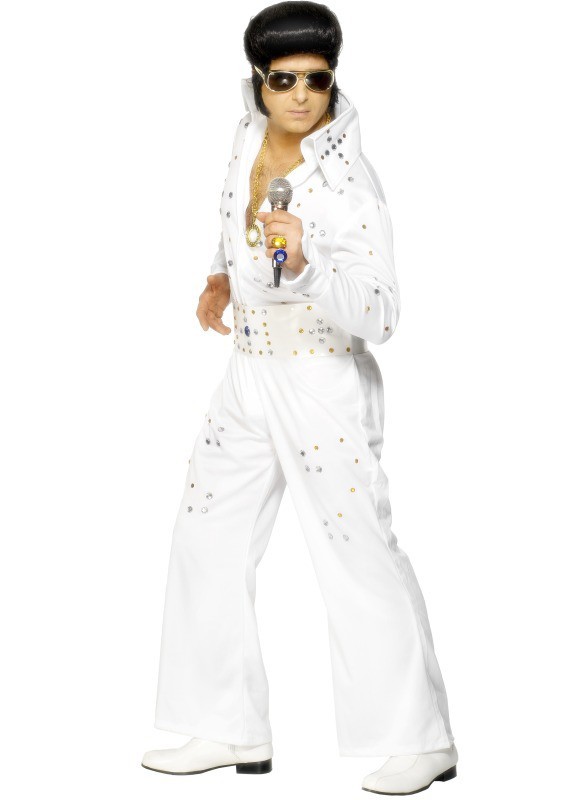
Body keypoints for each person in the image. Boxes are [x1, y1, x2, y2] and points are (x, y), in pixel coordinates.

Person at [141, 2, 458, 794]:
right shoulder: (245, 135)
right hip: (246, 373)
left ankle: (419, 740)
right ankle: (224, 724)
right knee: (205, 537)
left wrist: (311, 268)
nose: (301, 96)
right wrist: (221, 275)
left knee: (355, 551)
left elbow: (382, 314)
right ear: (258, 79)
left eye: (317, 80)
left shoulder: (349, 183)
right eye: (283, 80)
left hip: (322, 378)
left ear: (333, 79)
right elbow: (236, 217)